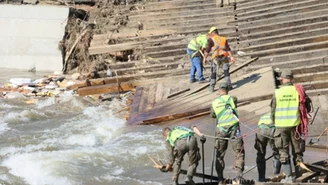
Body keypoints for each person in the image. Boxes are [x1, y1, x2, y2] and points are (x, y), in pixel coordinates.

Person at [271, 69, 311, 183]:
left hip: (281, 126)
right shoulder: (298, 90)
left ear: (282, 79)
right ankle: (299, 176)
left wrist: (275, 123)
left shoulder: (277, 92)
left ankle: (288, 178)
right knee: (297, 152)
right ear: (292, 79)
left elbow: (272, 111)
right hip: (295, 126)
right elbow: (307, 107)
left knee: (283, 152)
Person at [210, 82, 245, 184]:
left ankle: (220, 179)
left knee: (219, 154)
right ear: (227, 90)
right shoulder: (233, 99)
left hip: (221, 130)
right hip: (234, 129)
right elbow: (234, 105)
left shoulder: (214, 102)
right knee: (239, 153)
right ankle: (239, 177)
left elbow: (212, 115)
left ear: (219, 91)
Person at [204, 27, 236, 92]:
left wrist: (204, 58)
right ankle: (229, 86)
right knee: (226, 72)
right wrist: (231, 57)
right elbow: (228, 49)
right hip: (224, 58)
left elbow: (207, 50)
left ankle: (211, 88)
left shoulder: (211, 40)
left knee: (213, 72)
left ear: (212, 33)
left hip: (216, 58)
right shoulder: (223, 39)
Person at [254, 113, 281, 182]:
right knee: (277, 151)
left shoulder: (265, 115)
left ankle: (261, 178)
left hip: (261, 129)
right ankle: (276, 175)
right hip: (272, 128)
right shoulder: (280, 114)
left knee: (260, 153)